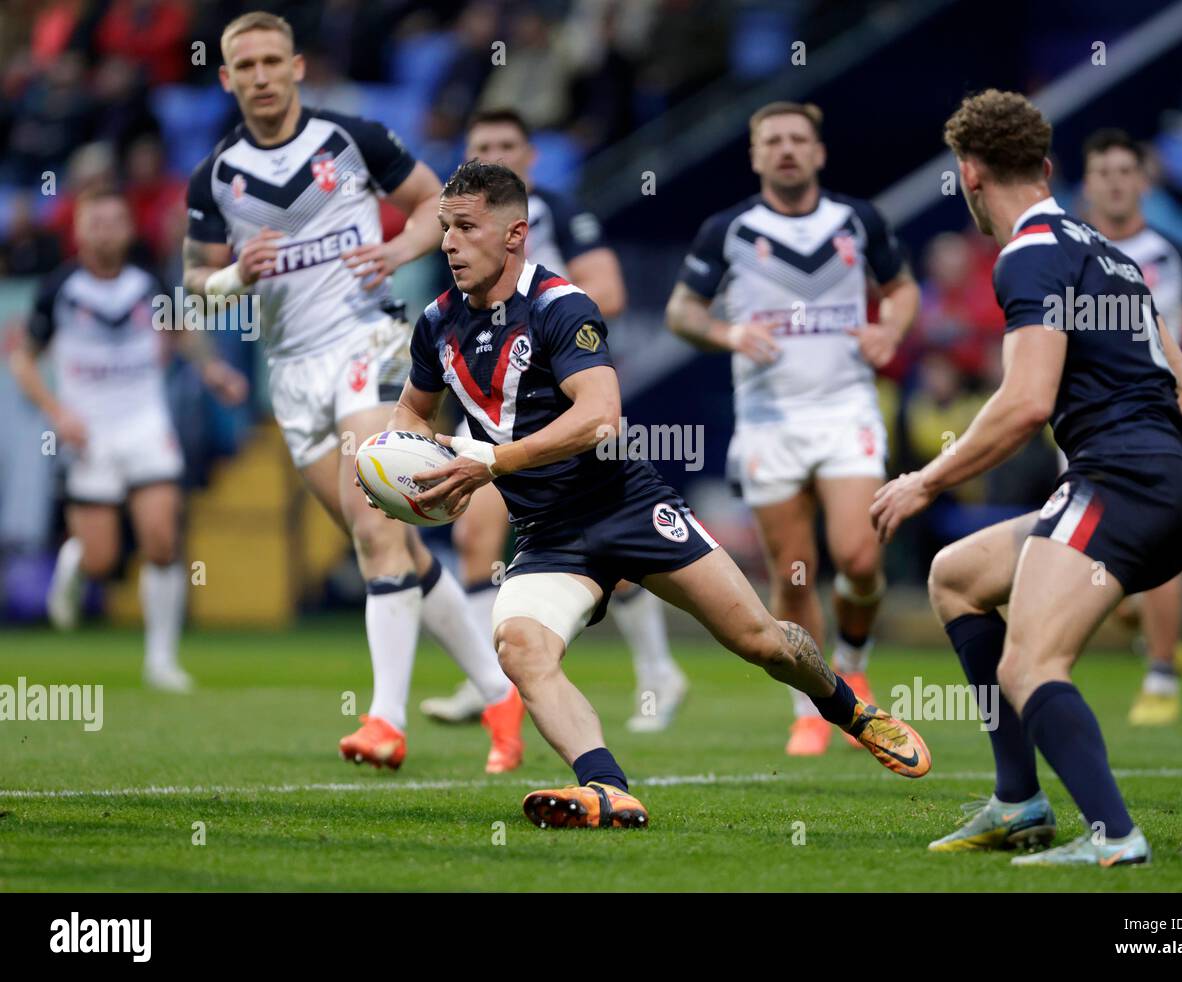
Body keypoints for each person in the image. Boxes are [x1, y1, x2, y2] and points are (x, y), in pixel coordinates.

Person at [377, 159, 930, 829]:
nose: (448, 244)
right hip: (550, 535)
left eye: (465, 228)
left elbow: (600, 417)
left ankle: (847, 707)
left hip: (628, 507)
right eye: (444, 228)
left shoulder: (561, 306)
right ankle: (608, 789)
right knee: (521, 648)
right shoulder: (437, 325)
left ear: (515, 234)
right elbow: (412, 410)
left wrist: (490, 462)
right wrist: (413, 469)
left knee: (761, 642)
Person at [872, 90, 1182, 866]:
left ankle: (1116, 839)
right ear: (1049, 167)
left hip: (1122, 481)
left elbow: (1025, 403)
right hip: (1157, 480)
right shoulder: (1110, 252)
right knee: (956, 574)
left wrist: (926, 480)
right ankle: (1019, 800)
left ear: (968, 176)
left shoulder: (1028, 253)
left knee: (1028, 664)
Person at [183, 11, 523, 772]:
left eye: (275, 60)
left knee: (375, 532)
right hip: (292, 375)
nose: (263, 75)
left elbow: (440, 209)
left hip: (367, 343)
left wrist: (397, 247)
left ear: (298, 67)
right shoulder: (214, 176)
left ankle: (384, 721)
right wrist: (237, 274)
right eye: (248, 65)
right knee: (388, 539)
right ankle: (502, 696)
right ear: (227, 76)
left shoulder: (353, 138)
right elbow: (193, 283)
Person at [419, 108, 687, 734]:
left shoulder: (561, 215)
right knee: (473, 539)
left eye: (508, 143)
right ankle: (490, 679)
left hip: (561, 398)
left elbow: (610, 295)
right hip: (488, 406)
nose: (497, 152)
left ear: (531, 156)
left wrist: (540, 311)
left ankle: (657, 671)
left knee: (612, 556)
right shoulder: (461, 231)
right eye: (482, 144)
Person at [665, 101, 920, 756]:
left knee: (861, 558)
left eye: (797, 138)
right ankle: (815, 700)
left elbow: (903, 289)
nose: (785, 149)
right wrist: (728, 332)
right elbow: (681, 312)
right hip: (768, 420)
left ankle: (853, 658)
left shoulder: (857, 221)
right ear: (754, 156)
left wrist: (889, 327)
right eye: (771, 140)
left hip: (845, 410)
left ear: (818, 152)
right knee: (796, 572)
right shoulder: (728, 230)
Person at [9, 188, 246, 691]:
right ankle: (74, 564)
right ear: (79, 230)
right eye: (96, 222)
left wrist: (213, 372)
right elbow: (22, 359)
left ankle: (161, 660)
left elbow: (183, 332)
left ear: (128, 229)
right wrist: (58, 413)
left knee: (162, 539)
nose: (106, 231)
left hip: (145, 424)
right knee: (101, 559)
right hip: (89, 434)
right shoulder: (60, 289)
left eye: (116, 221)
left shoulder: (147, 283)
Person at [1079, 128, 1182, 726]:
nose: (1117, 183)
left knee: (1154, 546)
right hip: (1083, 426)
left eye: (1127, 171)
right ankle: (1153, 635)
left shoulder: (1175, 253)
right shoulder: (1074, 255)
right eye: (1105, 173)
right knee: (1101, 576)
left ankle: (1160, 677)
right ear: (1087, 183)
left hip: (1156, 419)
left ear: (1143, 182)